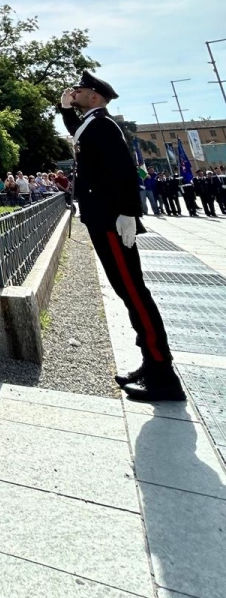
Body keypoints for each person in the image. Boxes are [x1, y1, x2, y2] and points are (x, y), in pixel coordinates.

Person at [61, 71, 184, 403]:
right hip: (102, 217)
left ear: (96, 97)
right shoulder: (92, 123)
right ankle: (151, 361)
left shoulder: (104, 125)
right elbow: (78, 134)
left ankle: (163, 372)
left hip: (112, 220)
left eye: (81, 90)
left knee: (133, 291)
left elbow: (123, 169)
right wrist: (65, 110)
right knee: (127, 291)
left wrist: (129, 212)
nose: (76, 91)